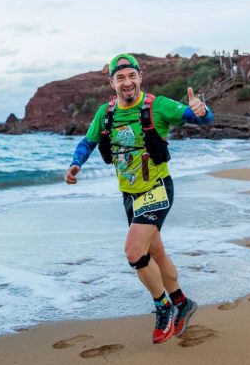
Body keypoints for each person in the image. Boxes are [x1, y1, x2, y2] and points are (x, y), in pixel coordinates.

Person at [65, 53, 213, 344]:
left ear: (140, 77)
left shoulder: (157, 105)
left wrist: (202, 110)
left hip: (157, 188)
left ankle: (163, 307)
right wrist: (75, 164)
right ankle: (183, 303)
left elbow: (200, 118)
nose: (127, 82)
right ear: (112, 83)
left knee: (134, 252)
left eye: (131, 76)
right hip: (130, 195)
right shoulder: (105, 113)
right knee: (155, 253)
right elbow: (89, 141)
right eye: (120, 78)